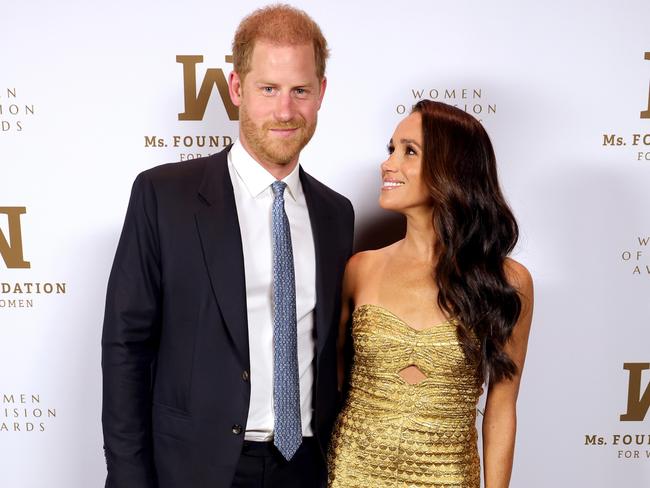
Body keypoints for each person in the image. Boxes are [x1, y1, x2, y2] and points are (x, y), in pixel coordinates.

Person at [101, 5, 354, 488]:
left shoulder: (336, 213)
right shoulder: (164, 195)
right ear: (237, 88)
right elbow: (125, 348)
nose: (285, 110)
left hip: (306, 467)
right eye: (268, 89)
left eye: (300, 90)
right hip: (194, 468)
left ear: (321, 93)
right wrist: (129, 476)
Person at [327, 100, 533, 488]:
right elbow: (330, 388)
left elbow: (502, 406)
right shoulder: (360, 268)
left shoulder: (507, 282)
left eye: (409, 151)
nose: (388, 164)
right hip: (353, 472)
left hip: (449, 477)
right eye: (391, 149)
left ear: (451, 168)